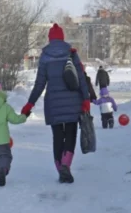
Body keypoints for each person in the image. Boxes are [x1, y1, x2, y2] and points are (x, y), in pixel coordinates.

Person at [20, 23, 90, 184]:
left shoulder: (45, 57)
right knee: (71, 134)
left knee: (58, 136)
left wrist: (29, 104)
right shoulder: (71, 54)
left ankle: (60, 169)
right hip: (73, 102)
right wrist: (85, 99)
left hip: (53, 103)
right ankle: (66, 164)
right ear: (62, 38)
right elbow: (81, 79)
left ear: (50, 39)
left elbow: (39, 84)